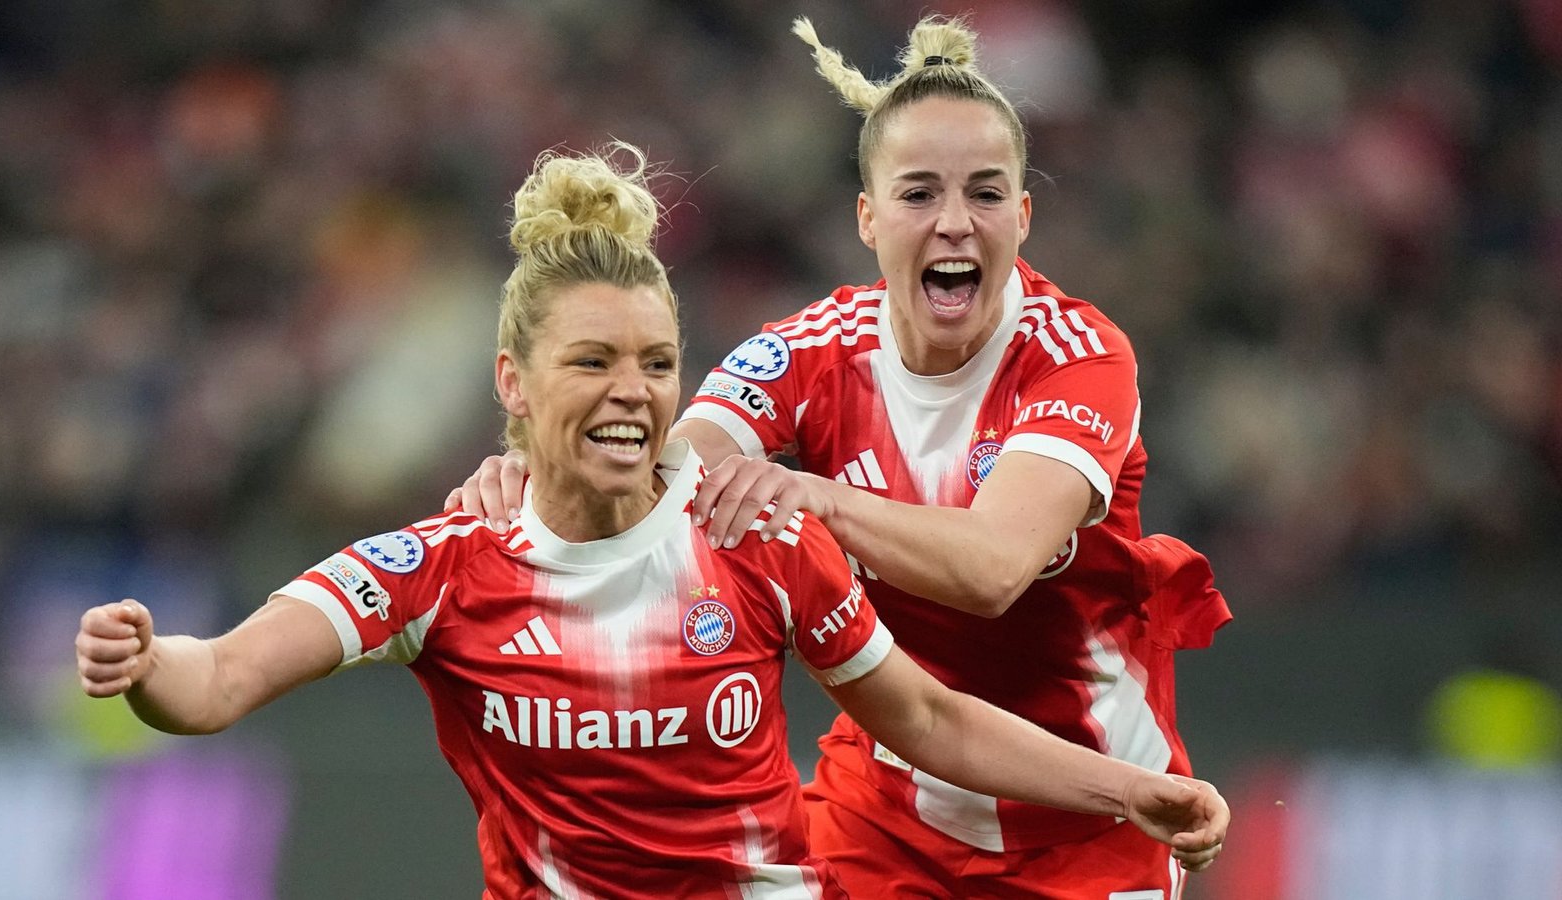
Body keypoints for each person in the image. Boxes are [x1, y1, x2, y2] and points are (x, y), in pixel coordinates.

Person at [77, 143, 1227, 900]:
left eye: (658, 364)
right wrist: (144, 661)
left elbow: (925, 718)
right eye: (593, 361)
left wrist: (1131, 791)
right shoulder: (438, 570)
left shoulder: (755, 539)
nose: (632, 392)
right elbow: (217, 682)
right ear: (514, 382)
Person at [447, 16, 1233, 900]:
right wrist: (537, 480)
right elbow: (658, 472)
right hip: (883, 813)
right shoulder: (808, 351)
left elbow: (991, 570)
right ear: (868, 217)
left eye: (985, 194)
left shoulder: (1079, 357)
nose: (954, 223)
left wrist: (814, 497)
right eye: (918, 194)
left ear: (1023, 215)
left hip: (1093, 821)